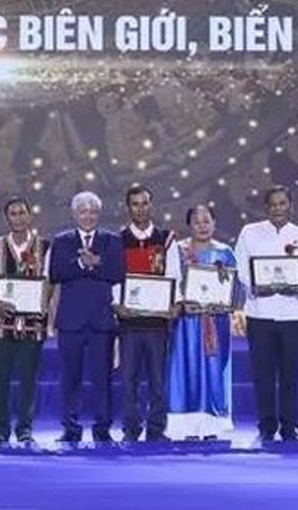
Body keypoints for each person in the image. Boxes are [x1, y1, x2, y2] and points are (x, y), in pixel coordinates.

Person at [233, 185, 298, 443]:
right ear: (265, 207)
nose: (278, 208)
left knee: (291, 373)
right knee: (263, 372)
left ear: (291, 206)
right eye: (273, 204)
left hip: (293, 314)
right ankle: (267, 424)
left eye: (283, 203)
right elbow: (241, 266)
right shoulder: (250, 233)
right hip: (260, 313)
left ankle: (289, 425)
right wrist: (257, 287)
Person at [48, 191, 126, 444]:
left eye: (93, 211)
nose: (88, 216)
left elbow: (117, 272)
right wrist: (83, 265)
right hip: (70, 320)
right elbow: (57, 272)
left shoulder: (112, 240)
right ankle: (70, 427)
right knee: (70, 377)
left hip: (102, 320)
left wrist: (95, 263)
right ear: (74, 214)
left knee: (102, 377)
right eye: (83, 211)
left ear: (99, 214)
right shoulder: (61, 241)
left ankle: (102, 428)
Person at [165, 203, 242, 441]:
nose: (202, 226)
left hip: (215, 322)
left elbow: (235, 289)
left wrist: (224, 302)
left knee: (214, 368)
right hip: (186, 322)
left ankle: (212, 424)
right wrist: (181, 303)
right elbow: (171, 281)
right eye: (197, 222)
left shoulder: (225, 252)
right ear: (189, 225)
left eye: (207, 221)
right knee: (185, 367)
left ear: (214, 223)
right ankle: (184, 425)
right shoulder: (178, 251)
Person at [0, 197, 49, 444]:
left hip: (33, 325)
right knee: (1, 381)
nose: (18, 217)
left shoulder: (44, 247)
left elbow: (48, 283)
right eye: (13, 213)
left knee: (28, 381)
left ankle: (25, 429)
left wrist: (43, 304)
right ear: (7, 218)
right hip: (2, 326)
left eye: (22, 212)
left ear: (29, 216)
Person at [115, 185, 173, 442]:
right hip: (128, 322)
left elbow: (175, 277)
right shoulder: (117, 240)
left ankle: (157, 429)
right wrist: (116, 305)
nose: (140, 208)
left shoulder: (166, 239)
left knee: (158, 381)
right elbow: (114, 279)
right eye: (135, 204)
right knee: (128, 380)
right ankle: (130, 428)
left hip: (158, 323)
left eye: (144, 203)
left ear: (151, 205)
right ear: (128, 208)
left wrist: (176, 305)